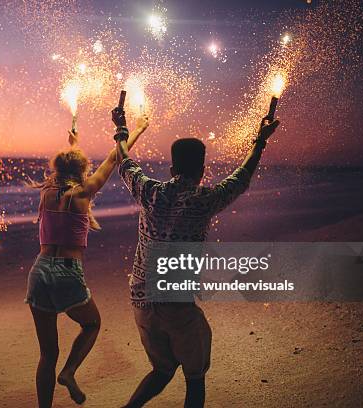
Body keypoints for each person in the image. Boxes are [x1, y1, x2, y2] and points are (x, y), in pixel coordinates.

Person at [113, 107, 280, 408]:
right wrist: (260, 141)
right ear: (202, 169)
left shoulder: (150, 192)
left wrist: (122, 129)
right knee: (195, 377)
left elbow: (123, 161)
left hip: (141, 300)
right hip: (177, 305)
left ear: (171, 167)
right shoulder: (204, 200)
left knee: (162, 370)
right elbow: (241, 179)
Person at [25, 114, 149, 408]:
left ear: (57, 169)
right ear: (81, 171)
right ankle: (69, 372)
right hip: (67, 272)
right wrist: (139, 129)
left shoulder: (46, 193)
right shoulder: (82, 193)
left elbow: (65, 171)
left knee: (47, 354)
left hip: (39, 270)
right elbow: (114, 158)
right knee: (92, 324)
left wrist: (73, 144)